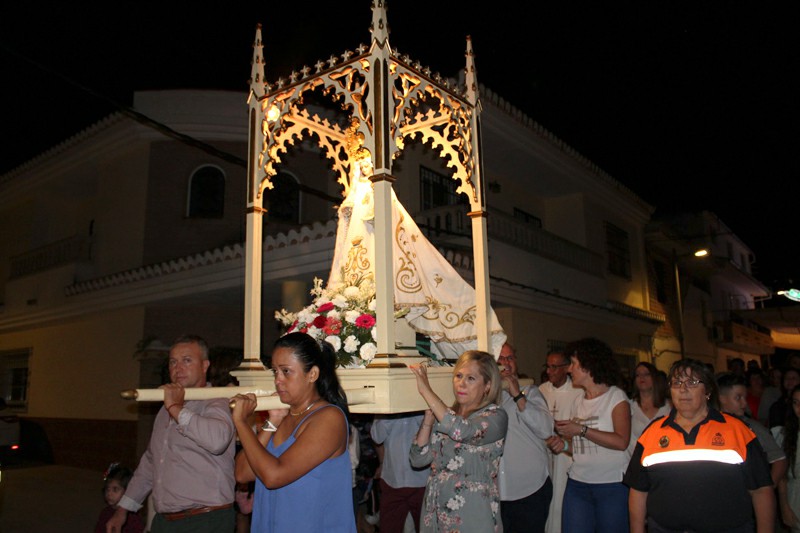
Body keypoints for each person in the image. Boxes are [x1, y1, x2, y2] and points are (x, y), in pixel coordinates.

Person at [625, 358, 775, 533]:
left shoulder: (736, 430)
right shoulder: (653, 432)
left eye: (692, 382)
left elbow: (761, 490)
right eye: (677, 383)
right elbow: (638, 491)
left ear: (708, 391)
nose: (683, 389)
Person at [107, 334, 237, 533]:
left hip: (206, 519)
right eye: (173, 362)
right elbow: (151, 462)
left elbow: (217, 441)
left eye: (187, 361)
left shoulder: (217, 401)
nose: (178, 368)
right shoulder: (165, 410)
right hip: (165, 521)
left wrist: (176, 408)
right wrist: (123, 509)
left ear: (204, 365)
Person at [231, 332, 356, 533]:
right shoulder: (281, 416)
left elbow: (273, 476)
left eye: (286, 371)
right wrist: (272, 421)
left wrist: (241, 423)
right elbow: (242, 473)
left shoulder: (329, 418)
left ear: (312, 374)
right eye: (275, 372)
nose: (278, 380)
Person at [409, 351, 508, 532]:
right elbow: (418, 459)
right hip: (436, 508)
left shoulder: (496, 415)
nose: (461, 384)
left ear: (487, 385)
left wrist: (426, 391)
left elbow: (463, 431)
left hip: (471, 510)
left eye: (471, 378)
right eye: (458, 376)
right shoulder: (447, 415)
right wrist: (428, 422)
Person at [545, 337, 631, 533]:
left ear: (588, 365)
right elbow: (582, 447)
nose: (569, 369)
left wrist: (582, 430)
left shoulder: (616, 397)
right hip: (578, 484)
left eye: (573, 364)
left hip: (611, 485)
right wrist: (564, 446)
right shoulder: (579, 401)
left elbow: (621, 441)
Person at [497, 342, 555, 533]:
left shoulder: (531, 392)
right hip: (497, 492)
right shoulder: (486, 397)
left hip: (531, 488)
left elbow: (546, 429)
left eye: (510, 358)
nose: (506, 362)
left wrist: (517, 396)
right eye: (501, 358)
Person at [538, 348, 582, 533]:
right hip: (544, 451)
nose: (549, 371)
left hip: (566, 453)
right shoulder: (541, 390)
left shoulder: (577, 392)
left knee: (562, 497)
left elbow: (581, 424)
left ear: (566, 368)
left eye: (554, 367)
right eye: (548, 366)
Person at [717, 371, 787, 487]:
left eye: (745, 397)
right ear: (721, 398)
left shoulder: (751, 426)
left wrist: (765, 491)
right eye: (738, 398)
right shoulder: (707, 425)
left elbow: (779, 460)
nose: (744, 403)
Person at [370, 413, 430, 533]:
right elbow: (376, 436)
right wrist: (390, 415)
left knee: (426, 528)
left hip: (423, 482)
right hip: (392, 480)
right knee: (388, 528)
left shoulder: (424, 405)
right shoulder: (385, 407)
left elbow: (434, 434)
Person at [626, 362, 671, 458]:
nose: (642, 377)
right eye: (638, 375)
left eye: (646, 374)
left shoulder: (669, 406)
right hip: (636, 462)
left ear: (655, 378)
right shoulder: (628, 406)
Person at [774, 384, 800, 530]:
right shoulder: (787, 435)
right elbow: (782, 476)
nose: (799, 408)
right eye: (795, 402)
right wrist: (784, 507)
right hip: (795, 497)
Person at [95, 463, 145, 533]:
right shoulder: (105, 513)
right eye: (107, 489)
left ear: (127, 491)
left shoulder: (133, 518)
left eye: (115, 489)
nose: (109, 493)